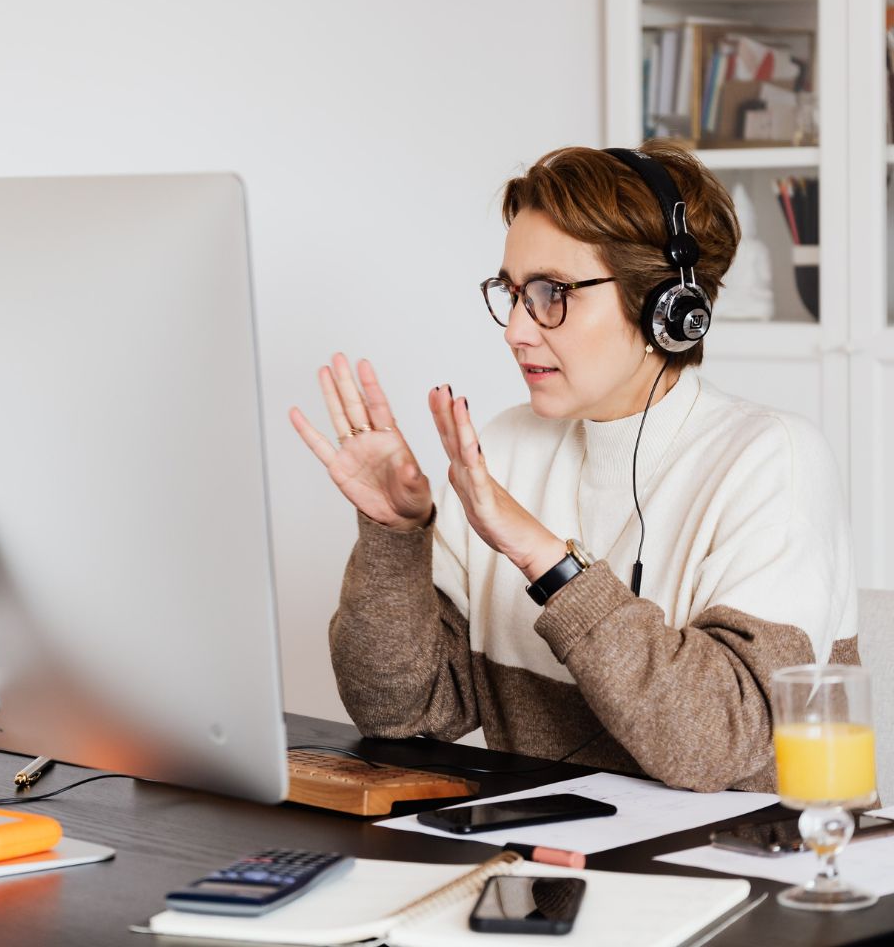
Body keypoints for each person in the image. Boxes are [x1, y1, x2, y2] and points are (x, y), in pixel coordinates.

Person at [288, 141, 857, 794]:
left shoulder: (771, 459)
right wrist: (393, 535)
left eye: (551, 292)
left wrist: (545, 559)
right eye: (512, 293)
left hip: (755, 881)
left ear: (666, 305)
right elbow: (400, 710)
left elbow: (717, 746)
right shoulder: (504, 447)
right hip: (556, 883)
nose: (516, 330)